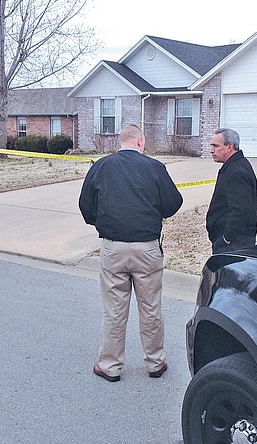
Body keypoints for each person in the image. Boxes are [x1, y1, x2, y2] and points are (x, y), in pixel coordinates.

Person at [78, 124, 183, 383]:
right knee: (150, 308)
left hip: (113, 247)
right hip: (147, 247)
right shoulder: (155, 168)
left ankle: (110, 365)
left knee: (114, 310)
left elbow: (86, 206)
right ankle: (156, 362)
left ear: (120, 141)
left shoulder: (101, 167)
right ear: (140, 142)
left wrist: (104, 221)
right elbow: (173, 204)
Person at [206, 128, 257, 254]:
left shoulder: (237, 171)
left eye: (216, 146)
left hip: (234, 243)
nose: (211, 150)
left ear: (230, 147)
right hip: (232, 241)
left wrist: (226, 238)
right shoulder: (233, 166)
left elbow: (240, 210)